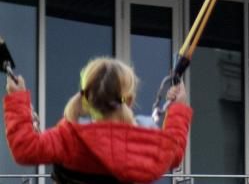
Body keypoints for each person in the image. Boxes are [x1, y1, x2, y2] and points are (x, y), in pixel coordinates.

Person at [3, 57, 193, 183]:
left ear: (86, 97)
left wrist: (17, 98)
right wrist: (179, 108)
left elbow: (25, 149)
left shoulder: (69, 137)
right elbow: (174, 152)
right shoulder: (145, 144)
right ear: (129, 100)